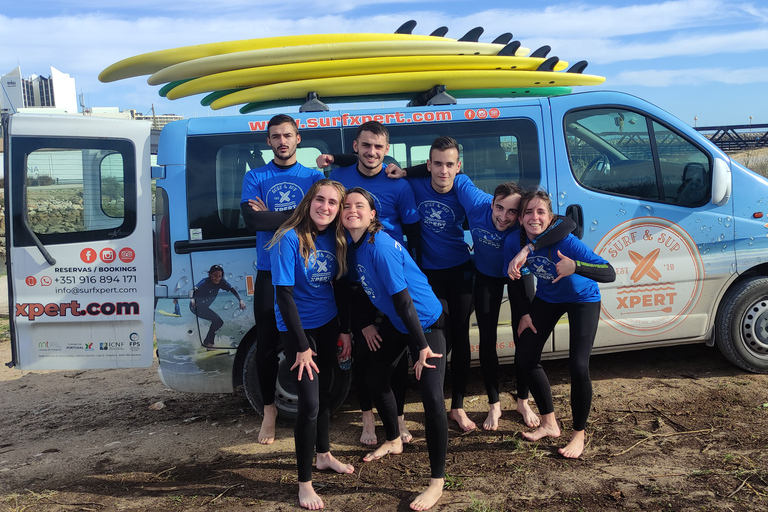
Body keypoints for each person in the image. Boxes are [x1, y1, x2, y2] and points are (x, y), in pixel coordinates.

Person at [341, 187, 447, 511]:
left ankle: (436, 483)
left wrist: (422, 348)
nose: (352, 209)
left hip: (426, 324)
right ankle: (393, 439)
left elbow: (404, 301)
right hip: (397, 323)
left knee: (431, 396)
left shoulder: (380, 246)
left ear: (373, 214)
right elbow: (362, 293)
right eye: (347, 206)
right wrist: (365, 325)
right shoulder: (353, 248)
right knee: (374, 379)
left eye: (360, 205)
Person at [317, 121, 420, 446]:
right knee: (362, 352)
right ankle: (367, 421)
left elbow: (413, 232)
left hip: (390, 278)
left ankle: (398, 419)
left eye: (378, 147)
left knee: (397, 358)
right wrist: (331, 159)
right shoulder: (340, 178)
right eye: (366, 146)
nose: (372, 152)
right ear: (356, 147)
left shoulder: (398, 183)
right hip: (353, 279)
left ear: (386, 149)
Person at [452, 180, 575, 431]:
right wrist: (404, 171)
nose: (504, 217)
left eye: (512, 212)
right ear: (491, 204)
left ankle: (523, 401)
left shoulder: (525, 222)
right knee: (487, 339)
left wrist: (530, 246)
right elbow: (452, 172)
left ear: (520, 215)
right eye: (499, 208)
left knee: (525, 337)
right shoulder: (476, 203)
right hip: (487, 277)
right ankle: (494, 404)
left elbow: (568, 223)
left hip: (519, 276)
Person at [504, 188, 615, 458]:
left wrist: (575, 266)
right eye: (528, 212)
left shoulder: (566, 242)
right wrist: (525, 313)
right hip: (548, 298)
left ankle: (578, 434)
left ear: (550, 217)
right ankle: (549, 423)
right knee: (525, 357)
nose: (534, 217)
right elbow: (514, 278)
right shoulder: (513, 243)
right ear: (520, 218)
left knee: (578, 365)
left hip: (582, 299)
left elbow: (608, 271)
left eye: (541, 212)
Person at [267, 179, 354, 509]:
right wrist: (302, 346)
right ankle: (304, 484)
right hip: (297, 329)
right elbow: (284, 296)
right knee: (310, 404)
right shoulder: (288, 238)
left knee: (329, 394)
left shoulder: (337, 237)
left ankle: (323, 455)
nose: (326, 207)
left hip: (328, 321)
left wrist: (344, 330)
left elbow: (342, 287)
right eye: (320, 200)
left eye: (333, 203)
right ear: (309, 201)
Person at [240, 114, 324, 445]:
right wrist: (300, 216)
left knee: (313, 339)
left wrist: (271, 217)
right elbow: (251, 220)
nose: (282, 141)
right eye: (275, 136)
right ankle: (270, 412)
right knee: (265, 345)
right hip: (268, 269)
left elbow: (321, 220)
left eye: (287, 135)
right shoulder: (255, 176)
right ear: (269, 142)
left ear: (298, 139)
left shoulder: (314, 176)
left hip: (306, 268)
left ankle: (317, 408)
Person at [405, 136, 475, 431]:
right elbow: (382, 170)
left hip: (460, 271)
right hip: (428, 276)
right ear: (428, 165)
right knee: (437, 338)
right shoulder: (414, 184)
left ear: (458, 166)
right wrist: (334, 159)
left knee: (460, 338)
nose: (443, 171)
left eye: (449, 165)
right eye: (437, 164)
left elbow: (485, 202)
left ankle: (457, 407)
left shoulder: (463, 185)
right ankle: (436, 403)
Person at [190, 264, 246, 348]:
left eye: (220, 276)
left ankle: (206, 342)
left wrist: (240, 300)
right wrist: (192, 299)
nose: (217, 278)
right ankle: (209, 343)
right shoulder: (204, 282)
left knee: (217, 322)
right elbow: (192, 290)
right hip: (195, 307)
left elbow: (232, 289)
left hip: (204, 307)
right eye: (215, 275)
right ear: (210, 275)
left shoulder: (221, 282)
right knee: (217, 321)